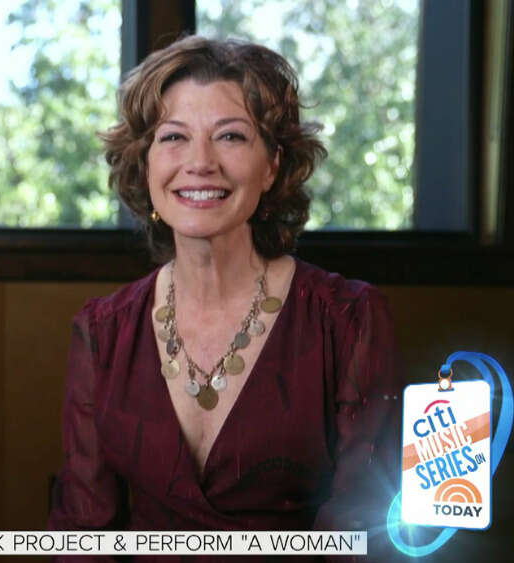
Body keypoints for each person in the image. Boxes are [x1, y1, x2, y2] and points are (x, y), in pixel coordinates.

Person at [48, 36, 401, 560]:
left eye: (231, 136)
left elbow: (363, 534)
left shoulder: (347, 320)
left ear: (273, 164)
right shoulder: (103, 330)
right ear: (145, 165)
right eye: (173, 138)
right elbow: (83, 534)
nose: (200, 163)